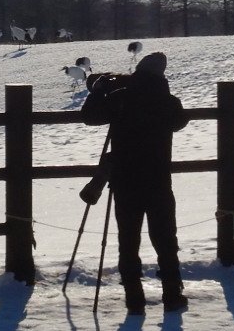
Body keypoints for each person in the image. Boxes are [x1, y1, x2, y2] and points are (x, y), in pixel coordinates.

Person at [80, 51, 189, 314]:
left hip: (125, 181)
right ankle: (172, 295)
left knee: (128, 240)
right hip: (159, 181)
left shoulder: (120, 99)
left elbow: (89, 116)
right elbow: (180, 121)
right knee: (165, 239)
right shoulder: (168, 102)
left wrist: (99, 90)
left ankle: (134, 299)